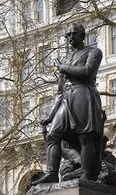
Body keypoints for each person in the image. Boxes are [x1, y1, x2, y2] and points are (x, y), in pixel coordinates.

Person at [32, 23, 105, 185]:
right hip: (66, 97)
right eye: (68, 35)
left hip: (83, 94)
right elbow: (60, 91)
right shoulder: (66, 58)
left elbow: (88, 72)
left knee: (85, 137)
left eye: (73, 34)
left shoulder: (94, 52)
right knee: (52, 135)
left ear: (82, 35)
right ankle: (51, 173)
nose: (70, 37)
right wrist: (50, 116)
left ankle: (87, 175)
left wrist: (63, 68)